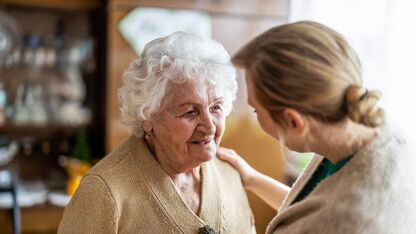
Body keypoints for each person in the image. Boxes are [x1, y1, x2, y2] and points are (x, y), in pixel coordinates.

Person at [218, 21, 416, 233]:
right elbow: (311, 210)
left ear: (294, 122)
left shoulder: (355, 220)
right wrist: (253, 179)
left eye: (256, 110)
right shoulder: (373, 131)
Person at [58, 32, 255, 234]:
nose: (210, 127)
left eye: (216, 108)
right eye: (191, 112)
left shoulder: (230, 175)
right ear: (149, 117)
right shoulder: (102, 192)